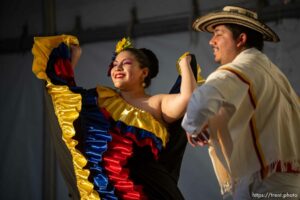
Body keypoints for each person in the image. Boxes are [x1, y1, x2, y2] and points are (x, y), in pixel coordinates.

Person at [32, 35, 201, 199]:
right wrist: (71, 57)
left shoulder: (156, 103)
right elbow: (66, 99)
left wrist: (185, 63)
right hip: (101, 193)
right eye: (114, 64)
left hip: (144, 192)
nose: (117, 68)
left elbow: (187, 98)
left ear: (144, 72)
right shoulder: (101, 100)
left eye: (126, 63)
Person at [181, 6, 300, 199]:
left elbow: (201, 101)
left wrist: (192, 126)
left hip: (263, 183)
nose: (211, 41)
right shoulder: (272, 72)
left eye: (218, 34)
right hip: (287, 180)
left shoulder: (241, 68)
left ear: (241, 39)